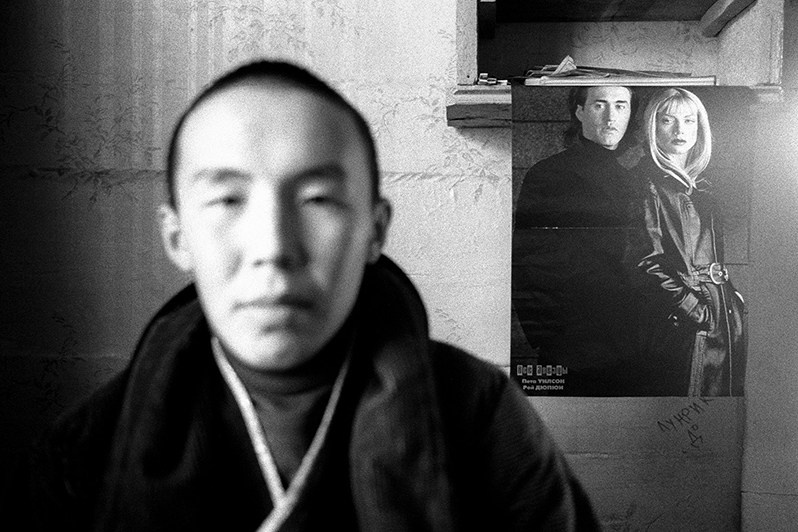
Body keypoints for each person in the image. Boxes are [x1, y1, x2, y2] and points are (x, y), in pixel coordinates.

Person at [2, 61, 599, 530]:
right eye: (228, 201)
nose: (274, 248)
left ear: (375, 230)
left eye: (317, 199)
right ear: (177, 236)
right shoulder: (86, 452)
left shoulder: (480, 416)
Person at [512, 85, 646, 396]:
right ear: (579, 112)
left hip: (632, 343)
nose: (611, 117)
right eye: (600, 105)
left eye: (621, 106)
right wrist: (547, 337)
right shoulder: (548, 175)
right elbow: (528, 260)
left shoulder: (637, 179)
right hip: (573, 345)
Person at [633, 87, 746, 396]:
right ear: (652, 127)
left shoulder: (697, 187)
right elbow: (646, 263)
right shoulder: (647, 184)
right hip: (687, 323)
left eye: (689, 120)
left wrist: (731, 301)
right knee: (691, 410)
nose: (680, 130)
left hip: (721, 314)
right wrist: (698, 311)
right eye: (668, 120)